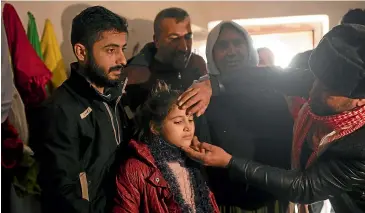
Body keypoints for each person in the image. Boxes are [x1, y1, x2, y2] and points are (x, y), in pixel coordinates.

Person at [182, 24, 365, 213]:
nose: (312, 91)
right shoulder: (327, 84)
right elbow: (271, 76)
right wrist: (215, 83)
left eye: (327, 90)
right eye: (315, 80)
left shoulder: (360, 146)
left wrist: (229, 161)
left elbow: (305, 187)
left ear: (360, 100)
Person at [35, 6, 131, 213]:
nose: (122, 59)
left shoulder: (113, 95)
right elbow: (63, 193)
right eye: (111, 50)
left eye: (123, 48)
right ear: (81, 51)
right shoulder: (60, 109)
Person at [204, 21, 294, 212]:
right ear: (211, 52)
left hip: (271, 199)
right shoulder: (204, 97)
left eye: (238, 43)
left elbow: (287, 148)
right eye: (223, 45)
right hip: (223, 202)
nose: (231, 51)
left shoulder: (272, 94)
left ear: (248, 47)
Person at [112, 81, 219, 213]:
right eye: (178, 121)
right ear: (155, 128)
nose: (188, 127)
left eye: (190, 119)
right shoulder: (136, 169)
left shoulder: (193, 161)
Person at [125, 7, 212, 143]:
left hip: (201, 155)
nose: (184, 47)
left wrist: (209, 85)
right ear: (156, 41)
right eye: (174, 38)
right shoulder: (136, 75)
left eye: (188, 37)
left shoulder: (197, 63)